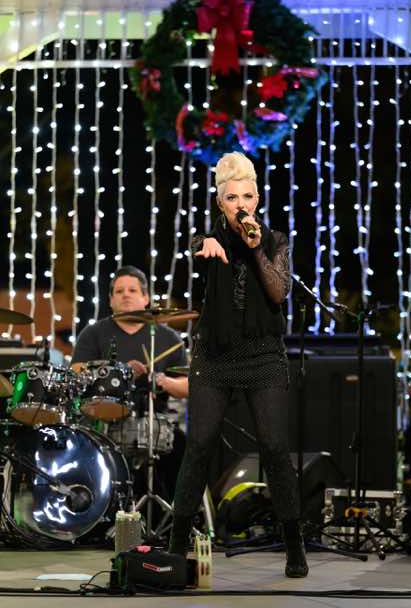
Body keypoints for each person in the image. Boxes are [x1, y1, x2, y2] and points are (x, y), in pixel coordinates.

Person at [168, 152, 308, 578]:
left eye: (247, 196)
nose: (240, 204)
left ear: (257, 200)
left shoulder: (276, 241)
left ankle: (294, 545)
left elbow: (279, 292)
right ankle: (175, 544)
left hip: (263, 354)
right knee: (199, 445)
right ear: (220, 203)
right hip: (214, 355)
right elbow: (194, 249)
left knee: (274, 447)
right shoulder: (206, 240)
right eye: (232, 198)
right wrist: (201, 245)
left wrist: (256, 247)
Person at [71, 265, 188, 501]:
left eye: (132, 290)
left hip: (156, 421)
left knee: (184, 450)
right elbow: (76, 372)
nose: (126, 295)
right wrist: (121, 372)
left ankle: (173, 514)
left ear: (146, 298)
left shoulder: (168, 337)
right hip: (104, 420)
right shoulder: (94, 333)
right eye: (119, 291)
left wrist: (162, 380)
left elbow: (187, 386)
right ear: (110, 300)